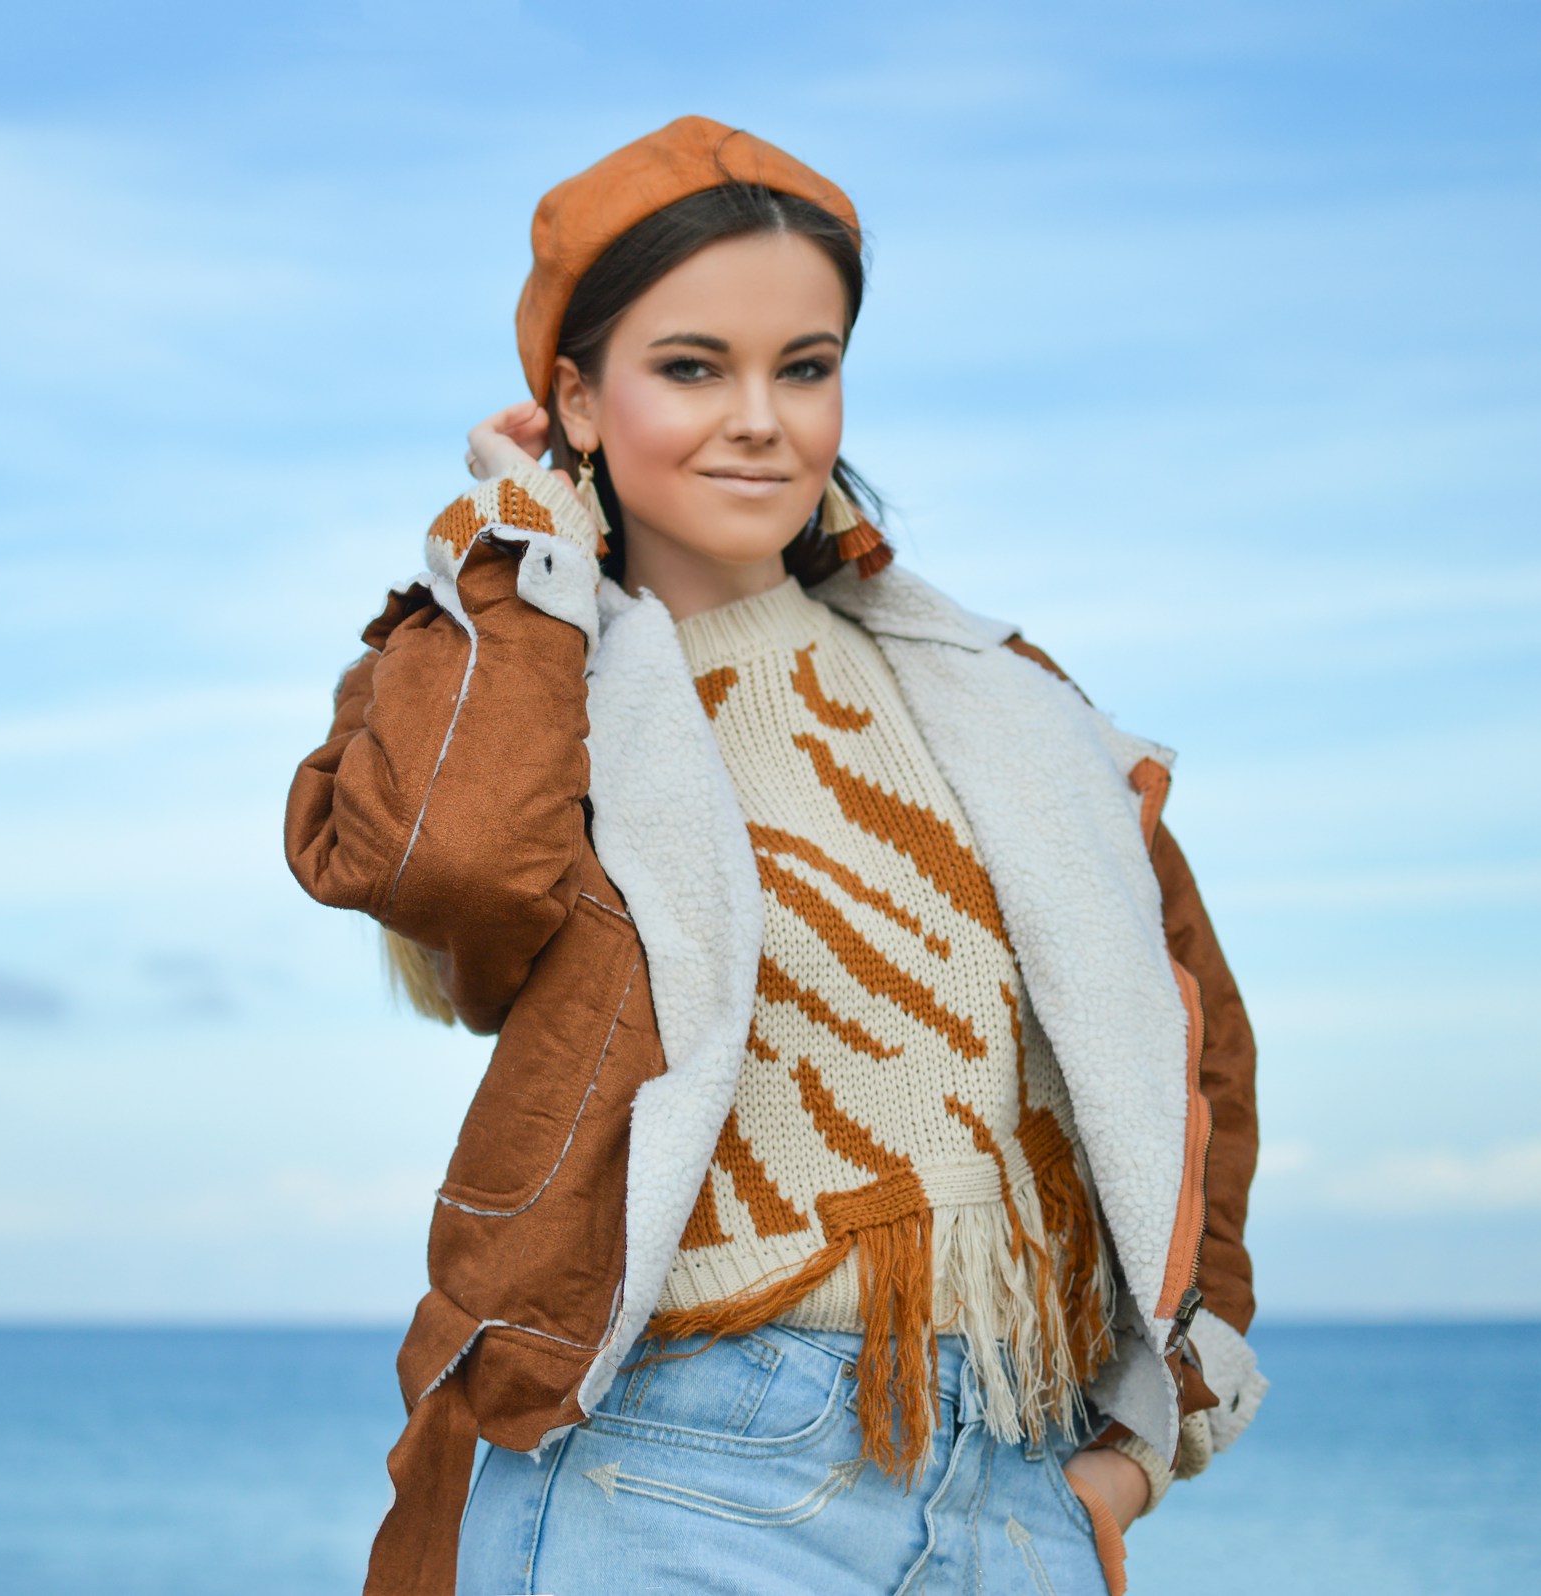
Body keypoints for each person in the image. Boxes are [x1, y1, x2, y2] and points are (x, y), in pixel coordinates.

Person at [283, 115, 1265, 1596]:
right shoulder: (537, 669)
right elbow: (459, 869)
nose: (763, 417)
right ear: (577, 398)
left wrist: (1148, 1436)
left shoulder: (995, 697)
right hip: (680, 1466)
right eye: (691, 367)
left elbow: (1192, 1057)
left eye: (804, 367)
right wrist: (517, 543)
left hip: (1012, 1477)